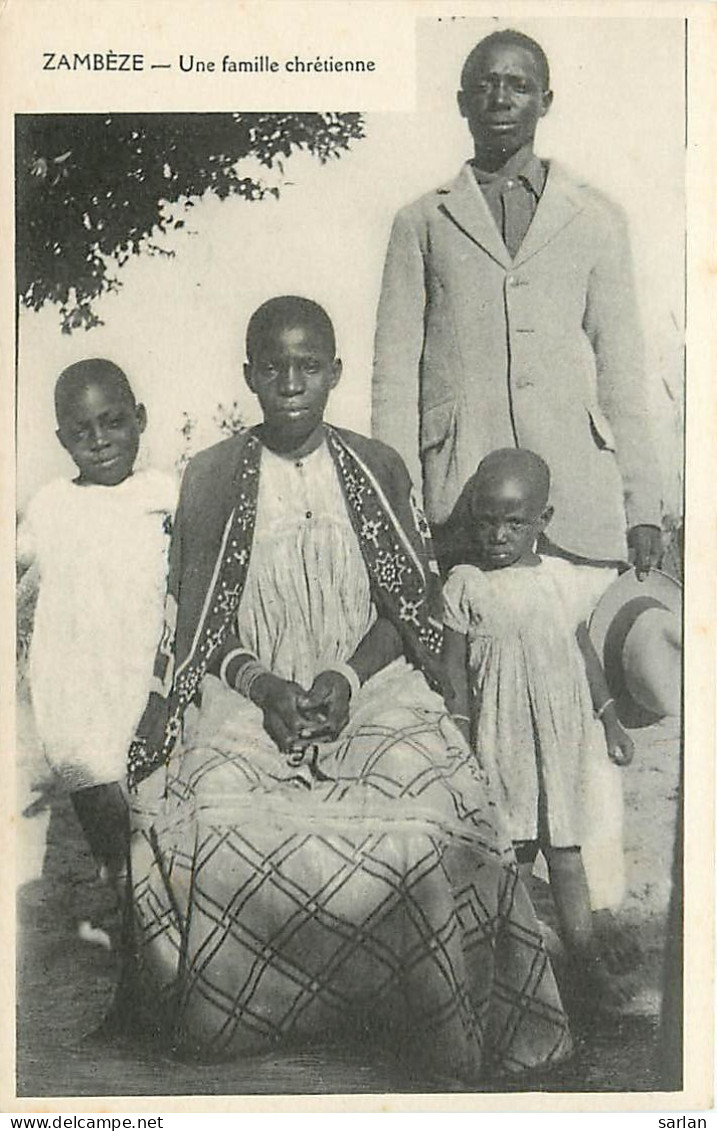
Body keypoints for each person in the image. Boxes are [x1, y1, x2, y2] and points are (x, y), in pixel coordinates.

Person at [126, 296, 571, 1082]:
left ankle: (428, 1020)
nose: (290, 381)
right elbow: (198, 620)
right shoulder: (211, 476)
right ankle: (241, 1019)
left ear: (334, 371)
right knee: (219, 811)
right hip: (246, 689)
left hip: (370, 681)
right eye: (273, 366)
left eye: (308, 365)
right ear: (249, 375)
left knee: (432, 808)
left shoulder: (376, 465)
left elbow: (406, 608)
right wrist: (264, 686)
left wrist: (342, 676)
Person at [372, 27, 662, 578]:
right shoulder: (421, 222)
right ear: (462, 103)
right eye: (484, 86)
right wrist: (398, 508)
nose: (501, 99)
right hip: (464, 503)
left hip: (576, 501)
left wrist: (642, 504)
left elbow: (622, 373)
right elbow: (394, 382)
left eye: (519, 85)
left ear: (546, 101)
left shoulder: (596, 217)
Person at [441, 449, 635, 1015]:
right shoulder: (465, 583)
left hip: (561, 738)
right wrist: (458, 730)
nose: (498, 535)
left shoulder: (561, 579)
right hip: (503, 742)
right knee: (515, 856)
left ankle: (585, 962)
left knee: (567, 854)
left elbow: (584, 655)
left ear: (542, 522)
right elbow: (453, 668)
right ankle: (516, 970)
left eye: (514, 523)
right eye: (486, 521)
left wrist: (611, 720)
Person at [17, 359, 175, 916]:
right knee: (117, 859)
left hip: (144, 693)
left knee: (162, 839)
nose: (100, 441)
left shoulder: (165, 496)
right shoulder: (50, 505)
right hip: (77, 707)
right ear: (62, 439)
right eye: (81, 432)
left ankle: (162, 966)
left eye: (113, 423)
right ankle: (135, 968)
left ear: (140, 419)